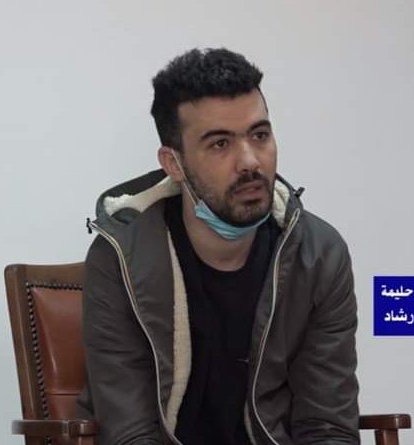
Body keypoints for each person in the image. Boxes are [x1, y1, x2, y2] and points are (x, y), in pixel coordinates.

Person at [78, 48, 359, 445]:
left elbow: (327, 426)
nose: (250, 162)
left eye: (260, 136)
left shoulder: (319, 256)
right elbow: (131, 433)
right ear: (173, 164)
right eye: (220, 144)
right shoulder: (120, 258)